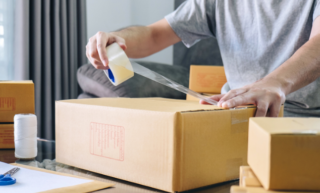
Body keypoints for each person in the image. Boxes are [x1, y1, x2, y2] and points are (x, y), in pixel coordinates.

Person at [86, 0, 320, 117]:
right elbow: (155, 34)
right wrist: (117, 38)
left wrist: (275, 83)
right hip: (234, 115)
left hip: (303, 120)